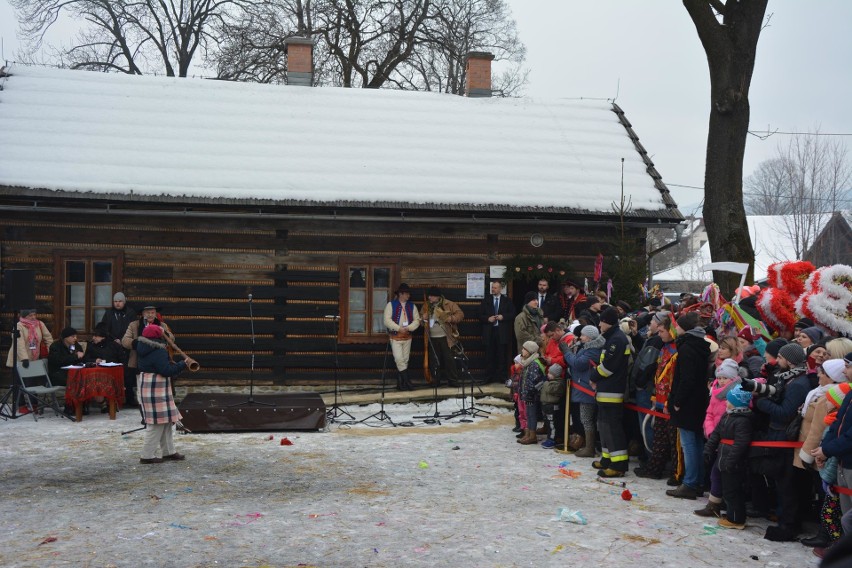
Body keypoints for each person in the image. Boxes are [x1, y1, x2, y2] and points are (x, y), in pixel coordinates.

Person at [742, 341, 811, 541]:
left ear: (789, 361)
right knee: (782, 483)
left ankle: (788, 525)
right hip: (778, 437)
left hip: (784, 439)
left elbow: (784, 413)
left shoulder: (798, 384)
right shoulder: (788, 378)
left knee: (787, 484)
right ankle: (785, 520)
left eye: (780, 357)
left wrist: (761, 402)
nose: (776, 360)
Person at [666, 311, 711, 500]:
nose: (675, 328)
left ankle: (690, 482)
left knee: (689, 444)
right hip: (698, 400)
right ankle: (698, 480)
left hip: (687, 402)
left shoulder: (687, 348)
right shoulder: (700, 345)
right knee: (697, 442)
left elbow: (686, 378)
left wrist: (677, 401)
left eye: (677, 326)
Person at [136, 324, 196, 464]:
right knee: (156, 424)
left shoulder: (143, 347)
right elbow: (166, 371)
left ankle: (168, 452)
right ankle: (147, 455)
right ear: (158, 337)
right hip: (156, 388)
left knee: (167, 421)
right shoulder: (158, 350)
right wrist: (183, 364)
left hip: (151, 386)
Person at [703, 384, 755, 530]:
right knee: (727, 490)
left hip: (733, 462)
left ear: (737, 402)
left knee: (733, 491)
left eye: (729, 400)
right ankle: (731, 514)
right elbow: (716, 435)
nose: (726, 402)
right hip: (723, 457)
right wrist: (708, 449)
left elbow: (740, 444)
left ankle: (736, 519)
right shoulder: (728, 415)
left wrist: (731, 462)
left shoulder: (743, 420)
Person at [694, 358, 742, 517]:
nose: (721, 381)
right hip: (715, 437)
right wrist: (710, 432)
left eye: (725, 378)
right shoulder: (715, 391)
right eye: (719, 377)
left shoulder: (738, 392)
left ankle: (721, 506)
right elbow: (709, 414)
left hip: (728, 440)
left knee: (720, 473)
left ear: (733, 378)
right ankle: (715, 504)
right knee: (716, 472)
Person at [591, 307, 631, 478]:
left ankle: (619, 465)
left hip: (612, 391)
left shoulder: (617, 340)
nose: (599, 324)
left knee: (612, 428)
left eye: (602, 321)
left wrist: (593, 377)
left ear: (608, 322)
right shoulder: (612, 337)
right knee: (604, 427)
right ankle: (607, 459)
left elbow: (609, 366)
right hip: (605, 390)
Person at [561, 325, 606, 457]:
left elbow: (578, 364)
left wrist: (567, 352)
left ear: (590, 337)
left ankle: (590, 447)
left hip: (587, 388)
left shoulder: (593, 349)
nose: (580, 337)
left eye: (583, 335)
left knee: (586, 419)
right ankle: (589, 445)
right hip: (583, 386)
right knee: (586, 418)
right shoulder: (588, 347)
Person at [122, 305, 175, 404]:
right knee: (142, 390)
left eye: (152, 313)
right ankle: (144, 414)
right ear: (143, 314)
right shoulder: (134, 325)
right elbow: (125, 341)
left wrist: (165, 334)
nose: (150, 315)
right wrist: (140, 344)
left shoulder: (162, 325)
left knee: (159, 389)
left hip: (159, 362)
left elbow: (172, 339)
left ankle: (158, 412)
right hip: (140, 361)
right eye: (147, 312)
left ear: (156, 314)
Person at [421, 288, 463, 387]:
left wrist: (450, 318)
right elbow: (421, 322)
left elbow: (460, 315)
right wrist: (423, 319)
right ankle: (435, 381)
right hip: (432, 338)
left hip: (446, 337)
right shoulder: (426, 306)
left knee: (449, 360)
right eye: (429, 296)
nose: (429, 297)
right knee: (434, 361)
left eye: (431, 296)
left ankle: (453, 381)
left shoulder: (449, 304)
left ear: (437, 297)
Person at [100, 292, 137, 403]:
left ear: (124, 302)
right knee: (113, 372)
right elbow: (105, 329)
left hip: (127, 347)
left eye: (120, 301)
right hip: (112, 346)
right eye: (115, 301)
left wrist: (123, 340)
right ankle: (113, 400)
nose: (117, 304)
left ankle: (129, 399)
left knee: (128, 372)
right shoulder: (109, 313)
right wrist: (114, 339)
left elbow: (133, 328)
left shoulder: (130, 313)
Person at [383, 283, 421, 391]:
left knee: (405, 360)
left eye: (408, 294)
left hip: (407, 336)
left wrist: (408, 328)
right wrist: (398, 328)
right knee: (399, 359)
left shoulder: (412, 306)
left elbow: (417, 320)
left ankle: (401, 384)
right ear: (400, 294)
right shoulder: (391, 305)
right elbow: (387, 320)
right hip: (395, 337)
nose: (408, 296)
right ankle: (407, 381)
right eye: (406, 294)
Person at [477, 280, 515, 384]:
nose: (493, 289)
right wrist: (487, 319)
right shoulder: (486, 300)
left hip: (501, 332)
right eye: (492, 287)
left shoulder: (507, 300)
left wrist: (503, 317)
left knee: (501, 355)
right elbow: (479, 315)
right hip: (489, 331)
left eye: (495, 287)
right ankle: (489, 377)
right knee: (489, 355)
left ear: (500, 289)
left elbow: (512, 313)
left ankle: (502, 377)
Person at [516, 340, 546, 445]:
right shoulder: (527, 362)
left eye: (524, 349)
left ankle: (532, 436)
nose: (522, 351)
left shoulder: (534, 364)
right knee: (528, 414)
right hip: (527, 394)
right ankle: (528, 434)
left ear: (530, 351)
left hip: (532, 395)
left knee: (532, 415)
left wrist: (530, 393)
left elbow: (534, 381)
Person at [539, 364, 566, 449]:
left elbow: (550, 389)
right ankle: (549, 437)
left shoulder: (558, 383)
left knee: (552, 424)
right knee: (548, 423)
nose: (548, 374)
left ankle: (552, 439)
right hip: (546, 405)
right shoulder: (550, 382)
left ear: (555, 375)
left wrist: (545, 382)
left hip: (552, 406)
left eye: (550, 373)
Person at [514, 291, 543, 355]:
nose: (536, 302)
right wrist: (538, 340)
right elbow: (520, 335)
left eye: (537, 300)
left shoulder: (540, 315)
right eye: (533, 300)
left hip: (540, 351)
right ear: (528, 302)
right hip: (526, 352)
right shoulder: (520, 317)